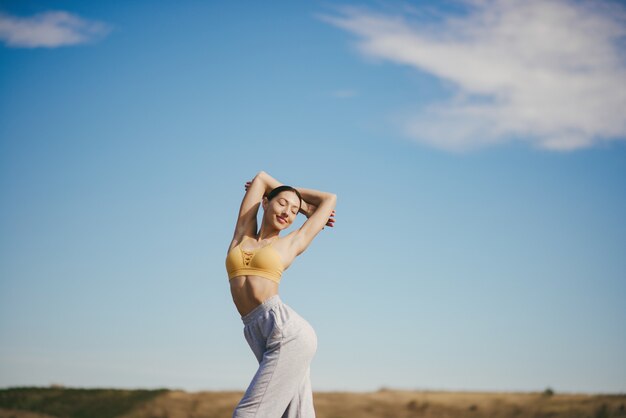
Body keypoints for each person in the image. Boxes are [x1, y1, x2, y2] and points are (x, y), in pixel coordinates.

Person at [226, 171, 337, 418]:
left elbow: (330, 198)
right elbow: (261, 179)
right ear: (265, 202)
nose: (287, 211)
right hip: (255, 330)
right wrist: (295, 200)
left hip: (285, 330)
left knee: (249, 414)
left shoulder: (291, 243)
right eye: (282, 203)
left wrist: (303, 206)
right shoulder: (242, 233)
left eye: (294, 211)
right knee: (297, 414)